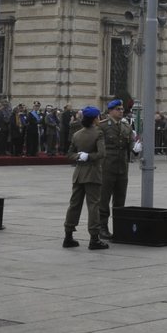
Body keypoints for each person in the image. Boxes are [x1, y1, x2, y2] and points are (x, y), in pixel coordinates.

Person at [64, 106, 106, 249]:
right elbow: (101, 154)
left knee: (74, 205)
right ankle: (94, 238)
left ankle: (68, 235)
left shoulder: (77, 134)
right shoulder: (98, 133)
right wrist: (89, 156)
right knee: (93, 205)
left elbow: (69, 154)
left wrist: (78, 156)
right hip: (93, 174)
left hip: (78, 174)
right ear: (95, 119)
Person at [97, 99, 135, 239]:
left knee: (120, 200)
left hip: (122, 168)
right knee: (104, 200)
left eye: (122, 109)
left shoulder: (126, 126)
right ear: (110, 111)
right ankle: (102, 227)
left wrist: (135, 149)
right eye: (118, 109)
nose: (121, 111)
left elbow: (129, 145)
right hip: (106, 168)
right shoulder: (102, 126)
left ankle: (119, 228)